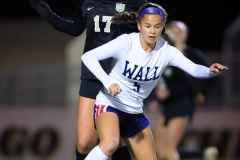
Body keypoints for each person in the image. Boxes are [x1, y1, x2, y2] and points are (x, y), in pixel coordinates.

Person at [80, 2, 228, 160]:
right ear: (139, 25)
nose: (152, 31)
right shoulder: (126, 42)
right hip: (111, 104)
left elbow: (193, 69)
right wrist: (107, 82)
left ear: (162, 27)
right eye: (148, 25)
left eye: (157, 26)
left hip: (134, 112)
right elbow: (88, 57)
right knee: (111, 143)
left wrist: (209, 71)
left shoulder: (167, 51)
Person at [29, 0, 148, 160]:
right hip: (92, 76)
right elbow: (76, 29)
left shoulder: (135, 3)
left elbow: (155, 30)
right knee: (85, 143)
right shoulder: (88, 3)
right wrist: (51, 17)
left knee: (115, 140)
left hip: (121, 79)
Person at [152, 21, 219, 160]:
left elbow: (192, 82)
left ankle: (202, 154)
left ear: (185, 36)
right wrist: (157, 98)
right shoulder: (164, 54)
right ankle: (202, 154)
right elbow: (164, 82)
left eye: (178, 31)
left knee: (169, 150)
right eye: (171, 31)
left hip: (182, 104)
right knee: (160, 151)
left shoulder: (187, 54)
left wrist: (200, 93)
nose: (174, 34)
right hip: (168, 104)